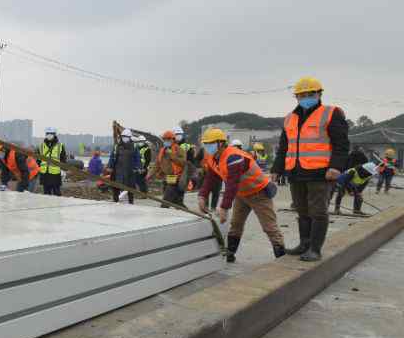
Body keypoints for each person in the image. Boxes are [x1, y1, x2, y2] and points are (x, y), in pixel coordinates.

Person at [271, 76, 349, 262]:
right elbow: (284, 147)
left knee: (318, 211)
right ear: (296, 97)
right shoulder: (290, 118)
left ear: (319, 94)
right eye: (301, 94)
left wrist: (336, 167)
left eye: (310, 93)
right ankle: (304, 244)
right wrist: (277, 169)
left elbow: (342, 145)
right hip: (296, 173)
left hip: (321, 172)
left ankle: (315, 249)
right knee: (302, 209)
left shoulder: (331, 113)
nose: (306, 97)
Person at [198, 128, 285, 262]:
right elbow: (210, 179)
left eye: (210, 143)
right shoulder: (212, 158)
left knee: (269, 226)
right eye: (206, 144)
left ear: (220, 143)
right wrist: (202, 196)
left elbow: (232, 183)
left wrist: (224, 207)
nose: (207, 147)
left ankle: (281, 255)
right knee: (236, 225)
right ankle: (230, 253)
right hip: (241, 194)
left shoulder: (233, 156)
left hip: (259, 193)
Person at [149, 130, 190, 208]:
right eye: (165, 139)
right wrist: (150, 174)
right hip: (166, 179)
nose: (166, 141)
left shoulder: (179, 149)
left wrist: (171, 155)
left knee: (165, 202)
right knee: (176, 202)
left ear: (173, 139)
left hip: (176, 179)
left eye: (168, 139)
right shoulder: (162, 151)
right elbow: (157, 164)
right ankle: (181, 208)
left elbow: (183, 162)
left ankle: (165, 212)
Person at [105, 129, 138, 204]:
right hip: (118, 170)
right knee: (116, 185)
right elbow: (112, 157)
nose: (124, 138)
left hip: (129, 170)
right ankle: (115, 200)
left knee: (130, 187)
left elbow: (137, 158)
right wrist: (110, 166)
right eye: (123, 136)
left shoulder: (134, 147)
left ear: (130, 137)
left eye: (126, 136)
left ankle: (131, 202)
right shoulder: (117, 146)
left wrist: (137, 167)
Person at [37, 127, 66, 196]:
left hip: (55, 173)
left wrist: (63, 170)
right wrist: (37, 169)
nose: (49, 135)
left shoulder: (60, 145)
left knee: (57, 192)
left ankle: (58, 206)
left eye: (51, 133)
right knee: (46, 193)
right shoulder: (41, 145)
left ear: (54, 134)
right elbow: (38, 159)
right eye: (47, 133)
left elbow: (63, 159)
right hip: (44, 172)